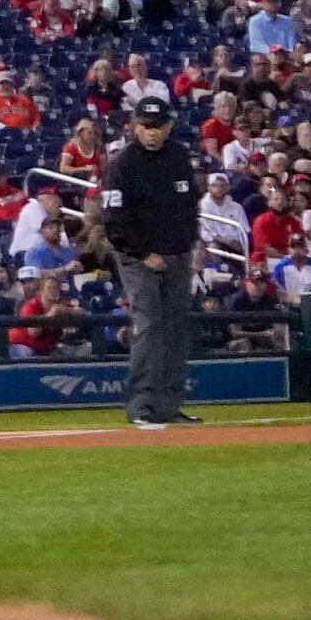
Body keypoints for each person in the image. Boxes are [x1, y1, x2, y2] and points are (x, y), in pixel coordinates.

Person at [96, 82, 201, 430]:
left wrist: (190, 244)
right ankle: (141, 405)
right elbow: (114, 222)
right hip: (137, 258)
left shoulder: (179, 156)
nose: (152, 133)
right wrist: (145, 254)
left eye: (158, 127)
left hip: (178, 256)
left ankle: (168, 406)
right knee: (150, 326)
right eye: (146, 126)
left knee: (174, 330)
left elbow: (189, 206)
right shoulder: (121, 165)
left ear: (168, 127)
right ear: (134, 126)